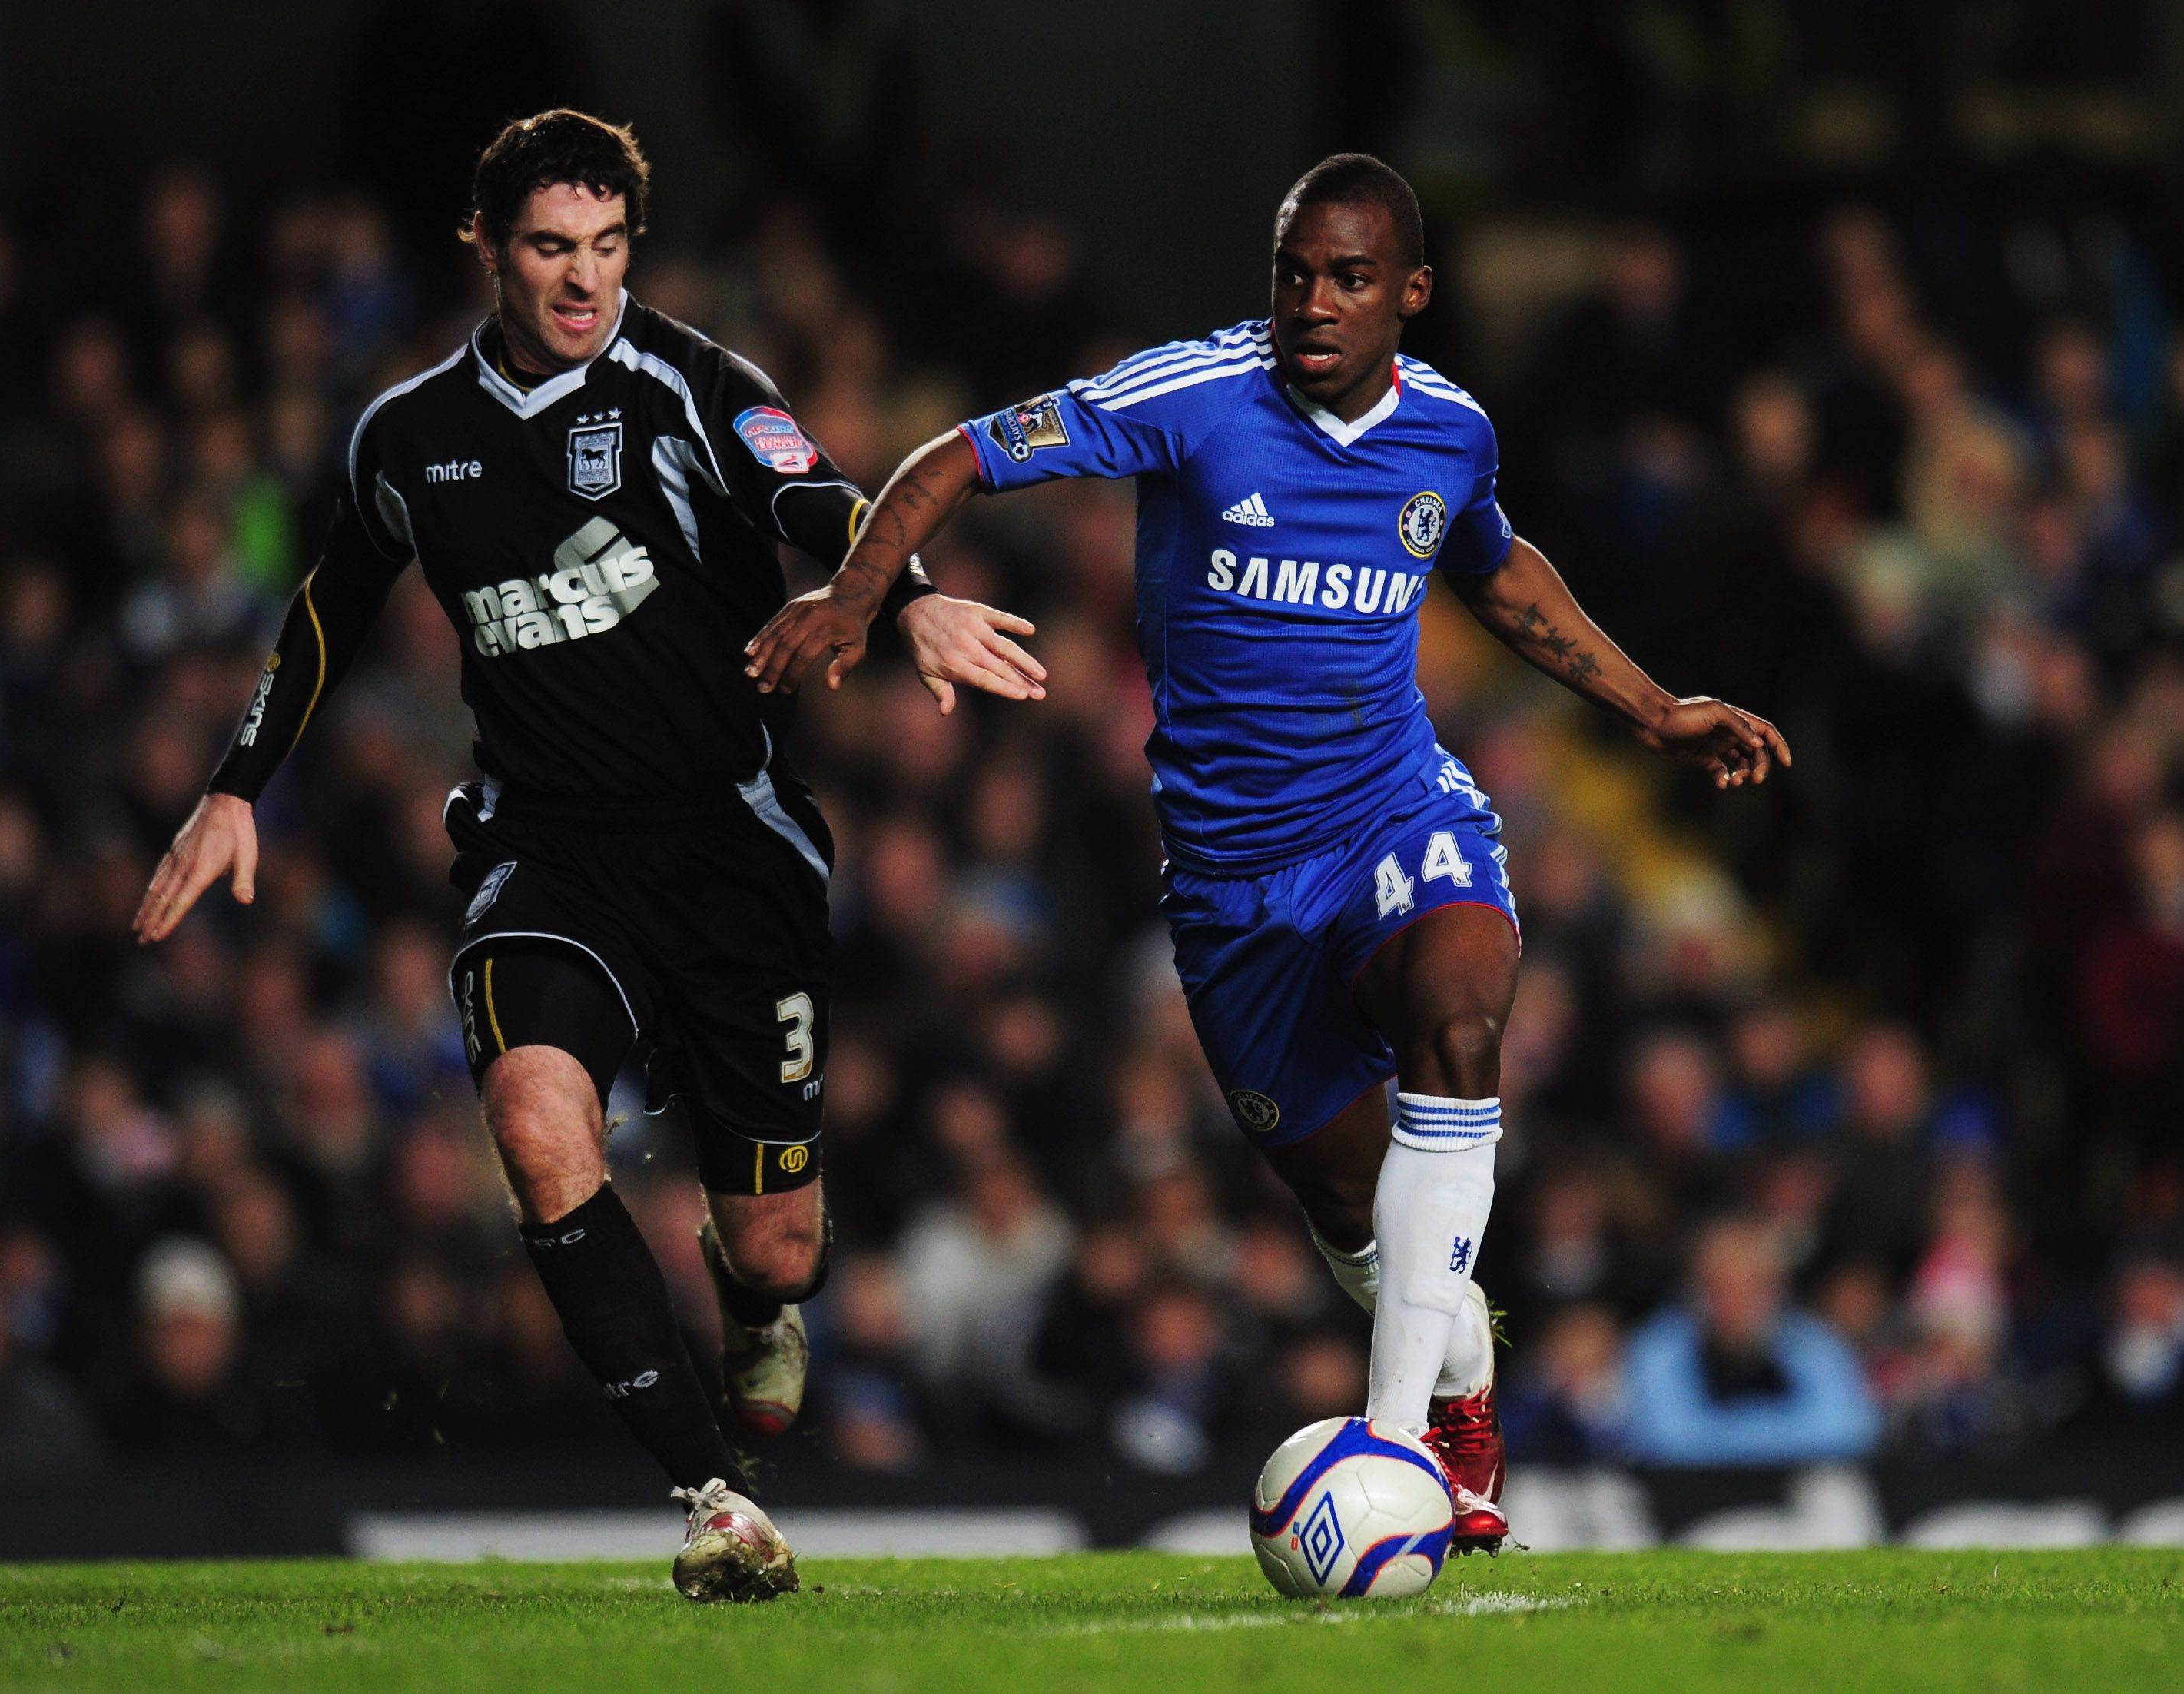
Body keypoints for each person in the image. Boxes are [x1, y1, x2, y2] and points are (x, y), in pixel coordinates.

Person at [747, 153, 1790, 1550]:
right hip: (1235, 891)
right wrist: (860, 594)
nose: (1314, 301)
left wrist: (1654, 708)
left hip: (1393, 814)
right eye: (1295, 271)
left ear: (1410, 293)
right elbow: (954, 456)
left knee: (1462, 1014)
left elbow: (1492, 562)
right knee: (1349, 1208)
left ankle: (1411, 1436)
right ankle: (1458, 1362)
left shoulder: (1450, 432)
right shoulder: (1188, 396)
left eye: (1350, 277)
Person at [129, 109, 1041, 1602]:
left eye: (609, 248)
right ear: (485, 249)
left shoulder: (692, 384)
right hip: (542, 856)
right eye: (552, 248)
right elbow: (328, 609)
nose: (584, 280)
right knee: (537, 1123)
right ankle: (711, 1497)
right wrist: (239, 785)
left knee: (778, 1242)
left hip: (729, 853)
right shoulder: (409, 437)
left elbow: (812, 494)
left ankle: (754, 1305)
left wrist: (910, 593)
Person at [1621, 1218, 1880, 1465]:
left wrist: (1734, 1439)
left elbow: (1846, 1432)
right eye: (1719, 1287)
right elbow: (1670, 1441)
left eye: (1751, 1287)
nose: (1734, 1303)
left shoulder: (1814, 1344)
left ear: (1776, 1289)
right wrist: (1778, 1437)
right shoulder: (1659, 1349)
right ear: (1693, 1288)